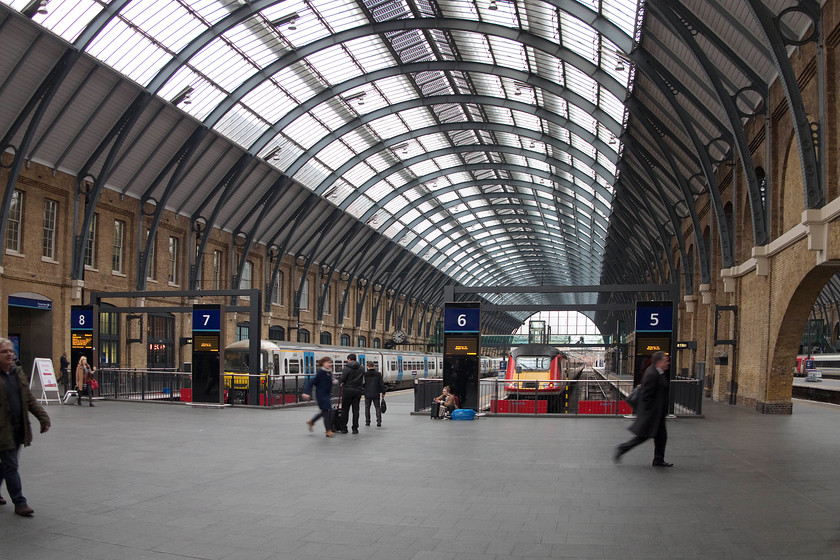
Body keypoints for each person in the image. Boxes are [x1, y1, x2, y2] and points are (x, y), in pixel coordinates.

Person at [0, 337, 51, 516]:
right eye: (4, 351)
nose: (9, 354)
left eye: (11, 351)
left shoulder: (17, 373)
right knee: (11, 465)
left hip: (17, 427)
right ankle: (20, 502)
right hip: (2, 430)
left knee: (6, 463)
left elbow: (29, 398)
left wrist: (43, 418)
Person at [614, 351, 673, 467]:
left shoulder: (657, 372)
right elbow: (646, 396)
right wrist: (650, 412)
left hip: (657, 414)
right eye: (666, 361)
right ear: (659, 362)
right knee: (642, 437)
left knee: (661, 438)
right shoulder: (652, 374)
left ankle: (658, 460)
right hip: (652, 415)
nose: (668, 363)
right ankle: (622, 448)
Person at [302, 356, 336, 438]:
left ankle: (312, 421)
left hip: (327, 394)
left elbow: (330, 381)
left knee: (325, 411)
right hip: (321, 395)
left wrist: (334, 381)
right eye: (328, 362)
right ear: (323, 363)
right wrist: (306, 392)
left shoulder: (329, 372)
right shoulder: (320, 372)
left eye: (330, 362)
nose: (329, 364)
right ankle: (328, 431)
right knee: (327, 411)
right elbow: (312, 382)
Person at [339, 353, 364, 434]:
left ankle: (343, 428)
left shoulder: (346, 368)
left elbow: (342, 378)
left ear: (349, 359)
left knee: (345, 409)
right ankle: (355, 428)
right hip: (357, 391)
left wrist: (342, 382)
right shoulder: (361, 368)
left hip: (347, 391)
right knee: (356, 410)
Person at [363, 362, 386, 427]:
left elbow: (363, 384)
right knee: (377, 407)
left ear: (368, 366)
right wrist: (383, 392)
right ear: (374, 366)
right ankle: (379, 421)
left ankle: (367, 421)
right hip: (376, 393)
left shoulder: (365, 374)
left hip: (367, 393)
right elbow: (381, 384)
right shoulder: (378, 374)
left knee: (367, 407)